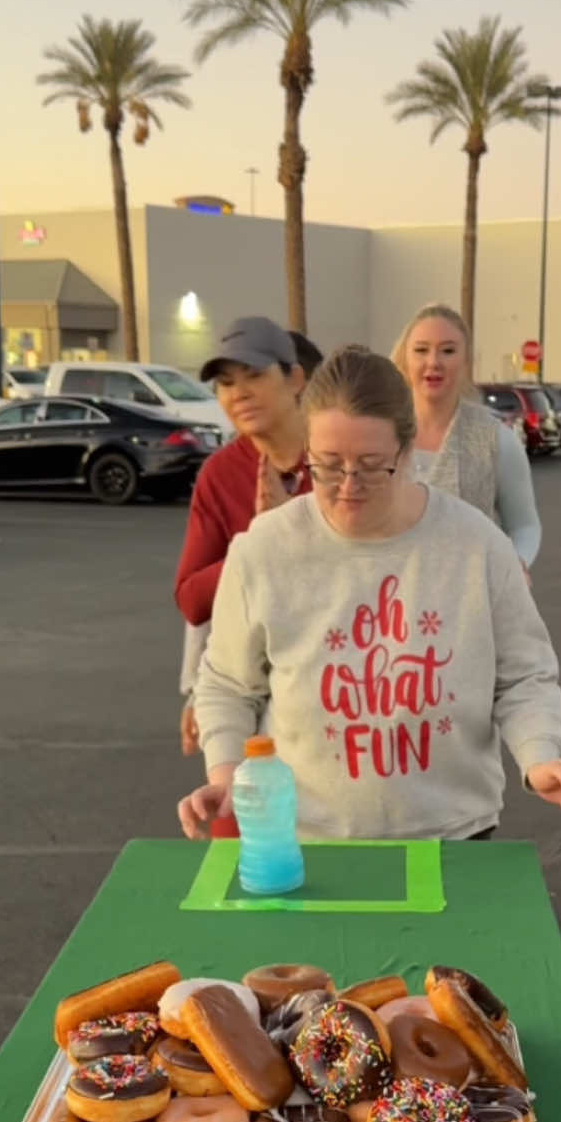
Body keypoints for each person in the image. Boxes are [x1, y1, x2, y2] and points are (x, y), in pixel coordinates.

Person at [178, 346, 561, 842]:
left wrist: (540, 755)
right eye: (328, 465)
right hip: (303, 836)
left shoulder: (476, 544)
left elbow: (524, 675)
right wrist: (224, 775)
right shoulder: (263, 549)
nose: (349, 485)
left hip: (453, 833)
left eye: (373, 465)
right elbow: (228, 684)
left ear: (407, 449)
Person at [175, 319, 322, 791]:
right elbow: (192, 599)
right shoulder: (221, 473)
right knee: (245, 841)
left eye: (254, 375)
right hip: (246, 691)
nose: (239, 393)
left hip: (332, 687)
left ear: (295, 380)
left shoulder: (338, 457)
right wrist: (259, 542)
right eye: (226, 383)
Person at [392, 302, 541, 569]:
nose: (433, 362)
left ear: (466, 360)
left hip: (470, 600)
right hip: (390, 598)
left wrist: (516, 565)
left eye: (447, 351)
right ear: (405, 358)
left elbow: (525, 526)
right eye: (421, 350)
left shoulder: (495, 440)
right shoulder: (379, 432)